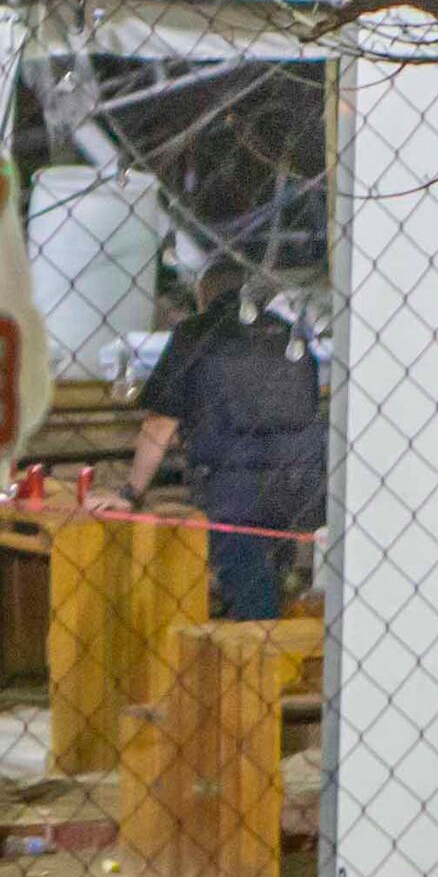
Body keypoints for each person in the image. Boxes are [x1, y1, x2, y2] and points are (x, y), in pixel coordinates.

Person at [124, 259, 326, 619]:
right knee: (274, 586)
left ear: (204, 296)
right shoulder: (285, 334)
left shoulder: (195, 334)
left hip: (233, 492)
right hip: (298, 487)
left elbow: (160, 426)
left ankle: (260, 664)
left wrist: (130, 493)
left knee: (253, 602)